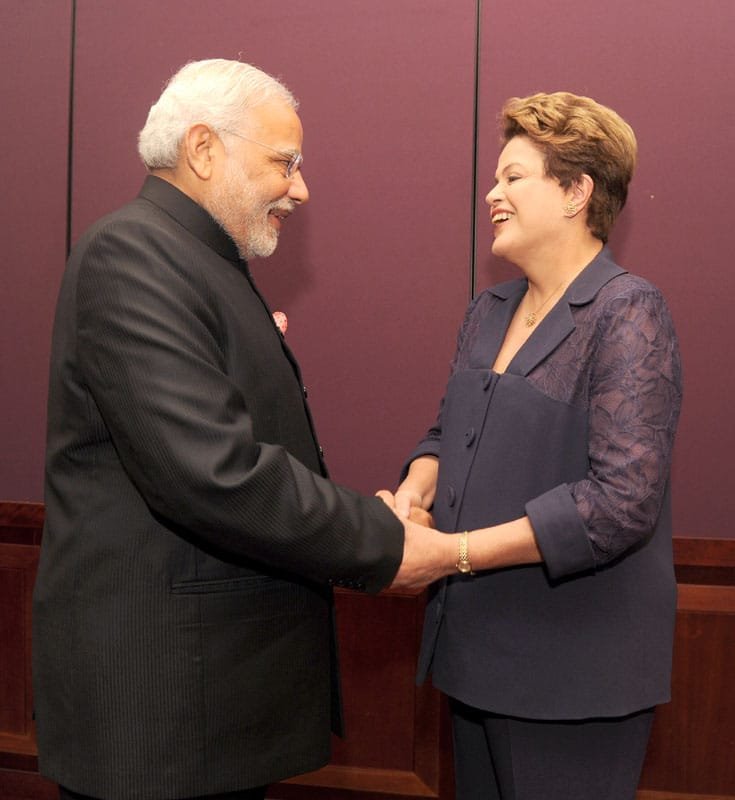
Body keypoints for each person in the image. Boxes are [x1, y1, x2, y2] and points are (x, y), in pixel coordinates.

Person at [32, 58, 433, 800]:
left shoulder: (193, 260)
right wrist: (381, 541)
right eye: (285, 162)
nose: (300, 188)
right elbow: (212, 472)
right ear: (205, 149)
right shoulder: (133, 254)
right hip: (161, 713)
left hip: (202, 709)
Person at [379, 92, 683, 799]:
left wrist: (450, 554)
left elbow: (619, 504)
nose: (492, 194)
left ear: (577, 191)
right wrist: (412, 495)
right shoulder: (487, 310)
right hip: (475, 654)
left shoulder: (626, 311)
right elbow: (445, 432)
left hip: (573, 672)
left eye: (513, 177)